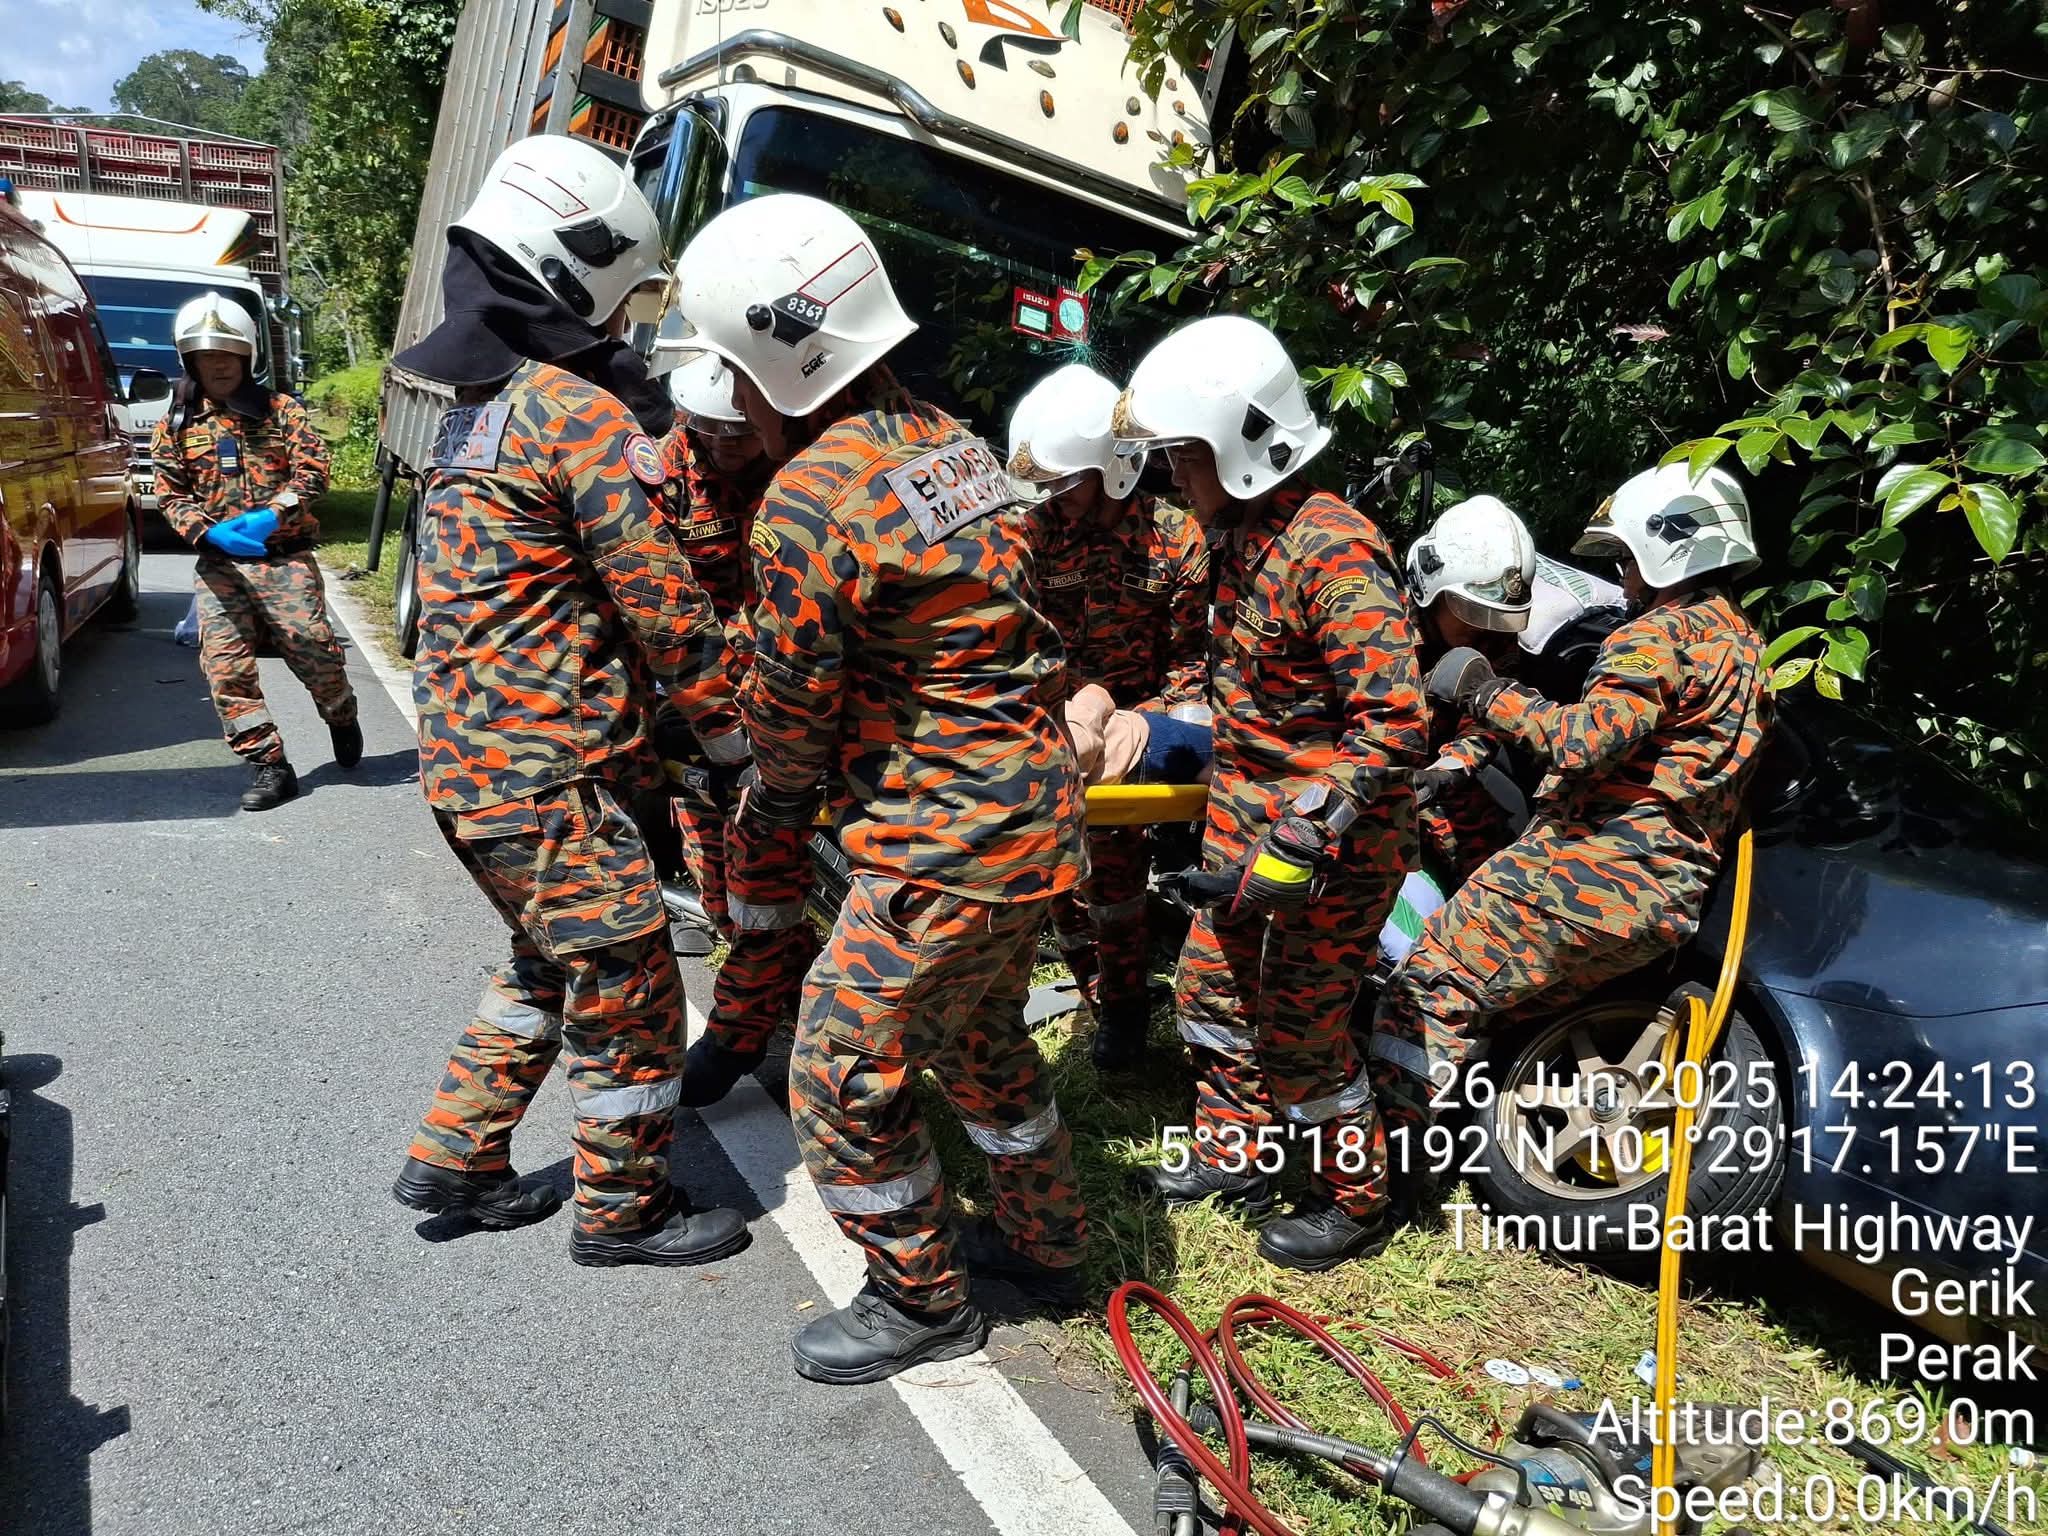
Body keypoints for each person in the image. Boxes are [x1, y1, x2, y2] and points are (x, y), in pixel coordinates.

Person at [676, 193, 1089, 1382]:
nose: (729, 400)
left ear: (773, 358)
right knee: (980, 1039)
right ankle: (1046, 1243)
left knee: (839, 1071)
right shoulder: (952, 446)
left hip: (940, 841)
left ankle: (921, 1299)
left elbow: (790, 719)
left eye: (729, 371)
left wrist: (764, 802)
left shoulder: (810, 499)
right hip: (1034, 820)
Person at [387, 136, 750, 1269]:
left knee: (549, 957)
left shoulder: (479, 409)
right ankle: (625, 1209)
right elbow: (662, 603)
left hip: (468, 769)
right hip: (549, 775)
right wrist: (733, 740)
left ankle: (458, 1152)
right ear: (577, 264)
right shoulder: (573, 411)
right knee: (633, 977)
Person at [1114, 315, 1430, 1271]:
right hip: (1238, 838)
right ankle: (1235, 1153)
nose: (1171, 475)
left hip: (1327, 858)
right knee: (1211, 994)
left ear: (1239, 446)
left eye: (1182, 455)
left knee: (1300, 1034)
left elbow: (1398, 725)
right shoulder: (1240, 539)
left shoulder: (1331, 550)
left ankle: (1355, 1198)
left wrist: (1300, 840)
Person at [1370, 464, 1772, 1213]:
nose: (1620, 578)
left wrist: (1486, 693)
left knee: (1430, 989)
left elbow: (1585, 742)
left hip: (1589, 872)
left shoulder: (1658, 636)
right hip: (1665, 898)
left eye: (1626, 558)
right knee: (1499, 1004)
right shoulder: (1745, 648)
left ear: (1668, 552)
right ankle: (1457, 1144)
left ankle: (1382, 1180)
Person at [1007, 365, 1209, 1070]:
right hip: (1053, 729)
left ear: (1117, 467)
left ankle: (1122, 1010)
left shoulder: (1177, 542)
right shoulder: (1030, 538)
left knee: (1115, 882)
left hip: (1137, 735)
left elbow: (1189, 669)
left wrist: (1127, 726)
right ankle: (1098, 993)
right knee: (1061, 883)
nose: (1053, 502)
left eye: (1067, 484)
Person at [647, 354, 824, 1107]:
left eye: (740, 431)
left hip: (775, 714)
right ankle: (795, 1018)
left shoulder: (802, 463)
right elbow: (644, 590)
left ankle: (743, 1037)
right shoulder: (659, 473)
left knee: (767, 897)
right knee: (724, 897)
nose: (727, 445)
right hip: (691, 715)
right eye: (711, 431)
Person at [153, 294, 360, 811]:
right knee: (225, 670)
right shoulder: (175, 425)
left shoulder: (281, 411)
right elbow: (168, 493)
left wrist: (277, 511)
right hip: (221, 563)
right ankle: (269, 764)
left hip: (284, 557)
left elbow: (314, 471)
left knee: (311, 645)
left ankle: (340, 712)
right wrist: (207, 532)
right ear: (190, 361)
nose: (218, 365)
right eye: (206, 356)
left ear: (247, 358)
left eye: (228, 355)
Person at [1405, 494, 1538, 882]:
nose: (1483, 629)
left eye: (1493, 617)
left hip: (1439, 783)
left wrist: (1443, 772)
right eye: (1472, 613)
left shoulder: (1495, 643)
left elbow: (1483, 725)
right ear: (1432, 592)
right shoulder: (1377, 630)